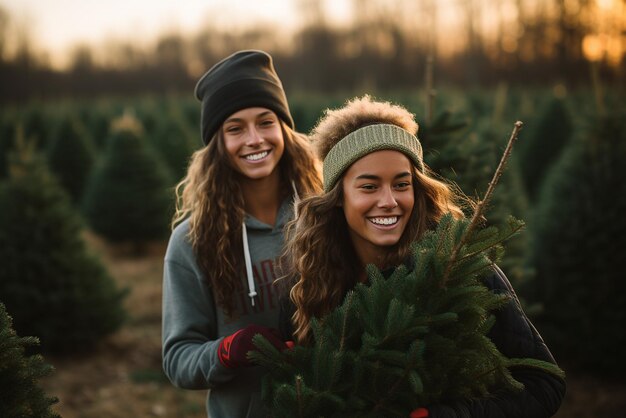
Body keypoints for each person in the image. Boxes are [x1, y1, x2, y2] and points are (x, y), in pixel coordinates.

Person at [281, 96, 565, 417]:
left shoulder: (457, 267)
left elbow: (544, 382)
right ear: (337, 197)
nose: (389, 201)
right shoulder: (315, 273)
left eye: (402, 184)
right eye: (369, 187)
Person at [162, 50, 322, 418]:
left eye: (265, 122)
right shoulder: (192, 242)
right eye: (235, 128)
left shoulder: (324, 216)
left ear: (284, 128)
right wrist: (226, 351)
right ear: (218, 144)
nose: (254, 139)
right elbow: (177, 359)